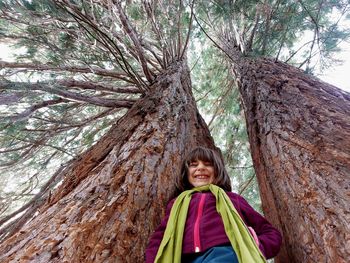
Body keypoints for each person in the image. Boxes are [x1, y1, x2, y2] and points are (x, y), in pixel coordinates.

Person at [145, 146, 282, 263]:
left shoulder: (233, 199)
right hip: (183, 258)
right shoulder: (176, 204)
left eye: (207, 164)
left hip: (225, 254)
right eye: (194, 165)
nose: (200, 168)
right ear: (186, 173)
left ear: (217, 170)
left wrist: (253, 245)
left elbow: (270, 233)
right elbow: (160, 237)